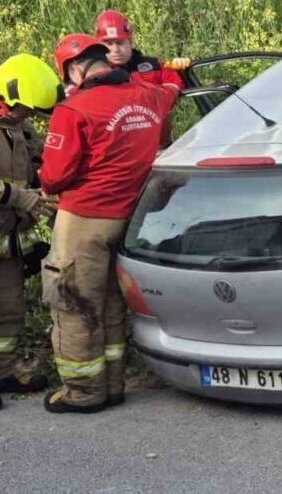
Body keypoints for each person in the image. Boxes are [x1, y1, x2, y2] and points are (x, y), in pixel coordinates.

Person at [38, 34, 177, 414]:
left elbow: (53, 177)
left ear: (75, 69)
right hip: (131, 219)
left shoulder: (74, 109)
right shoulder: (149, 96)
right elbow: (170, 90)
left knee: (74, 303)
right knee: (113, 303)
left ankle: (83, 392)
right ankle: (114, 385)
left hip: (84, 220)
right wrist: (174, 71)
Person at [0, 54, 61, 412]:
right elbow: (15, 190)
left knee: (9, 310)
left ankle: (5, 371)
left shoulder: (20, 128)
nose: (28, 116)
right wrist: (22, 198)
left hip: (8, 240)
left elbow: (41, 163)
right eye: (24, 108)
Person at [94, 10, 188, 91]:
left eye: (120, 43)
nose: (115, 50)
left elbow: (176, 85)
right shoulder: (95, 76)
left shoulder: (154, 66)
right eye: (109, 44)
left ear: (130, 41)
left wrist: (182, 71)